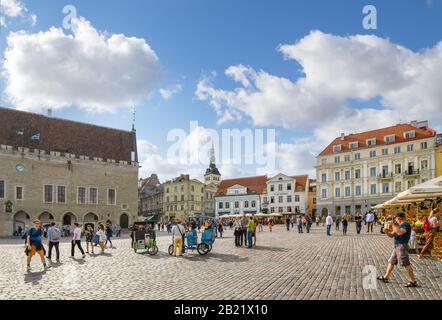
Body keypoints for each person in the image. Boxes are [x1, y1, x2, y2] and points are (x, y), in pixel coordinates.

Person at [377, 212, 418, 288]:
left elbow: (399, 232)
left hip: (402, 246)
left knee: (406, 263)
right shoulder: (398, 225)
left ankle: (413, 281)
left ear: (399, 218)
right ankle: (385, 277)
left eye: (395, 218)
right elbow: (392, 235)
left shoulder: (405, 224)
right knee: (391, 261)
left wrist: (393, 225)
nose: (395, 220)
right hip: (397, 246)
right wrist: (386, 231)